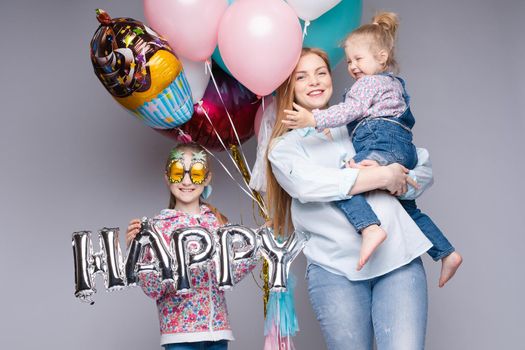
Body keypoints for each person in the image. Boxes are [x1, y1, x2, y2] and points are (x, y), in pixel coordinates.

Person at [265, 47, 435, 349]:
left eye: (321, 72)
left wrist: (401, 182)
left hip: (399, 259)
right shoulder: (283, 148)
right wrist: (383, 176)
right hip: (335, 271)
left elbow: (420, 167)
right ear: (288, 87)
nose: (314, 82)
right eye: (302, 77)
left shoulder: (360, 121)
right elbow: (310, 185)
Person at [282, 12, 462, 282]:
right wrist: (386, 175)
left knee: (348, 176)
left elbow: (352, 110)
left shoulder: (366, 86)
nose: (353, 67)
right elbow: (306, 186)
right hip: (399, 146)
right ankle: (446, 251)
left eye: (358, 59)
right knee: (410, 212)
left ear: (381, 57)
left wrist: (313, 119)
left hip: (383, 143)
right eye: (350, 61)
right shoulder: (392, 83)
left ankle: (370, 228)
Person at [126, 143, 257, 350]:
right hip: (179, 335)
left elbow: (231, 274)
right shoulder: (157, 228)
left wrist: (259, 243)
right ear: (167, 176)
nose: (187, 181)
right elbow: (153, 290)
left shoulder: (217, 223)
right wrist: (139, 253)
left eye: (195, 173)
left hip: (218, 333)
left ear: (207, 178)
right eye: (179, 172)